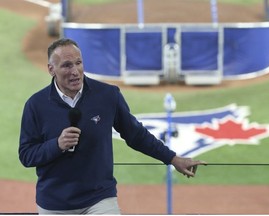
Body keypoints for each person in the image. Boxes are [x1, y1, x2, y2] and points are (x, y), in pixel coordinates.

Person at [19, 38, 206, 214]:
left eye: (78, 63)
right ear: (51, 69)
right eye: (67, 65)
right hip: (54, 203)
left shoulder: (107, 95)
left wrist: (173, 159)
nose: (75, 71)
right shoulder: (36, 105)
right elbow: (26, 155)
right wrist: (57, 145)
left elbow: (136, 135)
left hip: (100, 198)